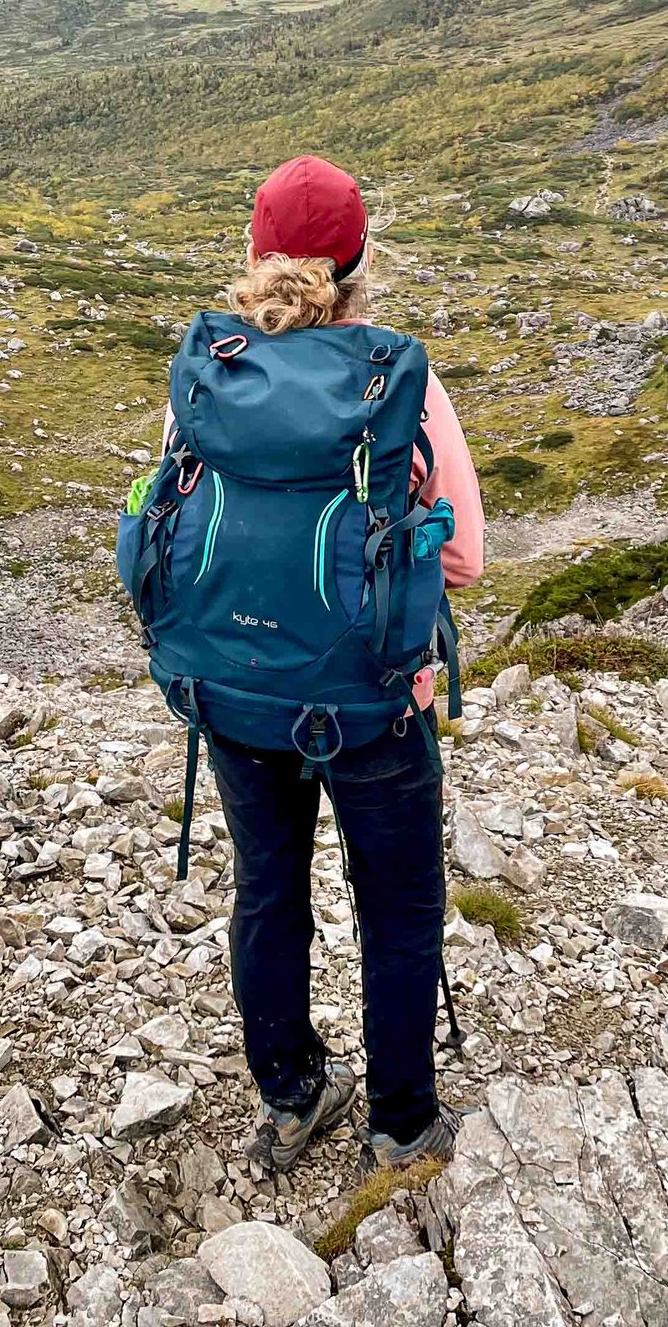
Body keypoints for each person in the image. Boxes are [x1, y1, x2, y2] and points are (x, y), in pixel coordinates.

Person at [134, 156, 484, 1175]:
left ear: (252, 254)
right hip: (371, 698)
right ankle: (402, 1122)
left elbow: (172, 523)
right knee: (399, 904)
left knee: (270, 890)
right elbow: (460, 556)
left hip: (233, 694)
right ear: (360, 260)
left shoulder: (208, 374)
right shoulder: (398, 385)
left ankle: (292, 1097)